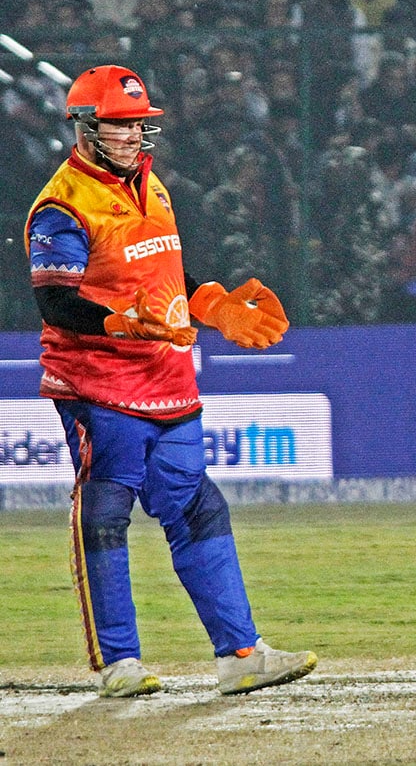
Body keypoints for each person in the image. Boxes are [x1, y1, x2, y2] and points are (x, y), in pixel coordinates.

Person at [25, 65, 317, 698]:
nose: (133, 135)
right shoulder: (60, 205)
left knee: (196, 505)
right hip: (98, 383)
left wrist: (213, 304)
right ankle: (117, 662)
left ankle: (240, 653)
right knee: (106, 511)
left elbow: (164, 279)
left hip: (168, 377)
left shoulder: (153, 186)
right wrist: (124, 325)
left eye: (139, 124)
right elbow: (56, 305)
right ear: (84, 126)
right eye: (118, 124)